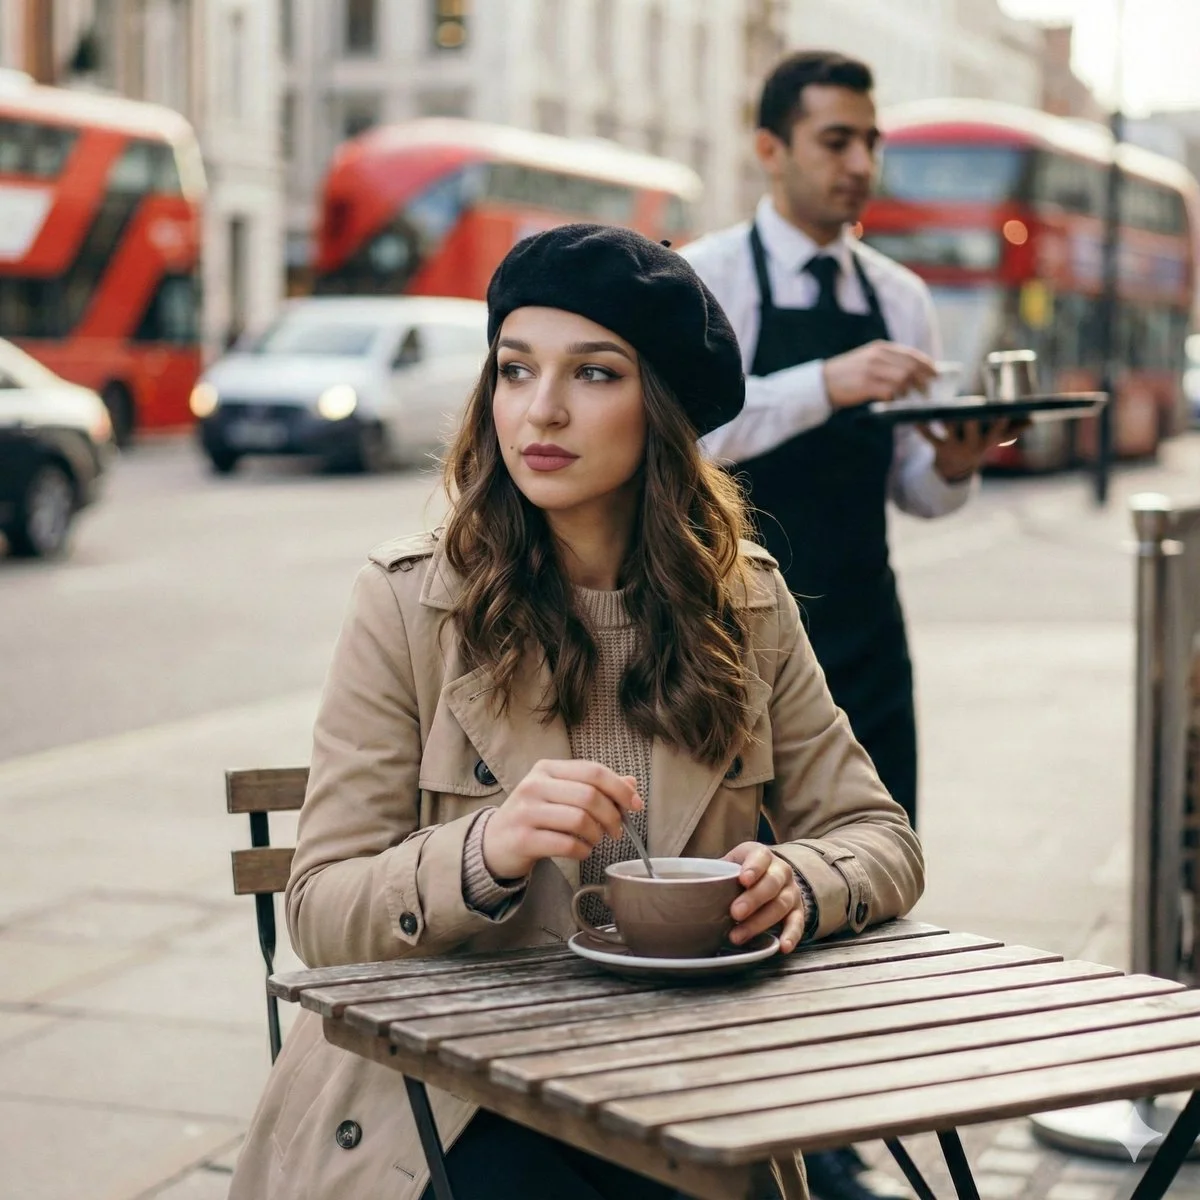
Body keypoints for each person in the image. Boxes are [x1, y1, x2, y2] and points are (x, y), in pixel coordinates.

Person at [228, 224, 924, 1200]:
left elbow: (879, 837)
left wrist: (800, 880)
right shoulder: (408, 602)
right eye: (516, 370)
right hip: (450, 1095)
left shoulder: (746, 603)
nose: (541, 410)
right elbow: (319, 911)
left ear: (662, 411)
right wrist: (487, 850)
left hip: (684, 1086)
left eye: (595, 374)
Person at [681, 51, 1019, 1200]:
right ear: (771, 149)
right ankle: (769, 1130)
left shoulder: (902, 294)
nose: (860, 164)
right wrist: (826, 382)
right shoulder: (715, 277)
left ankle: (842, 1125)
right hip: (733, 630)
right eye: (837, 141)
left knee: (870, 875)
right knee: (745, 879)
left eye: (870, 142)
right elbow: (684, 442)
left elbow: (915, 495)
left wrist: (956, 465)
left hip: (867, 624)